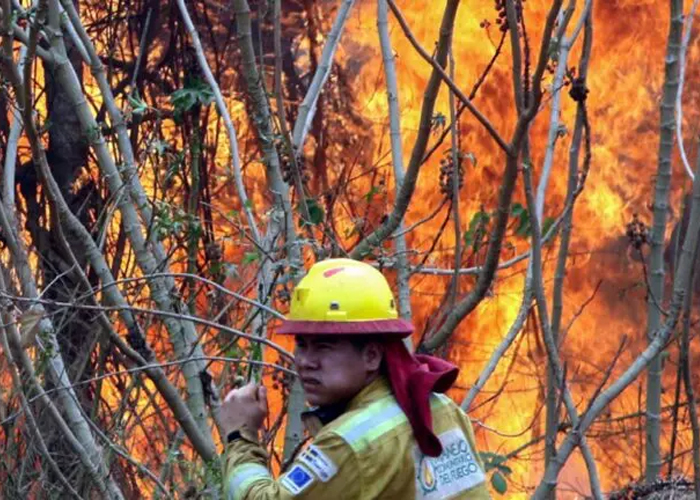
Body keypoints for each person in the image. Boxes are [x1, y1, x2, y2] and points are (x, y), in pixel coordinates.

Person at [221, 258, 491, 499]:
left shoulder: (347, 442)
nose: (305, 361)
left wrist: (239, 434)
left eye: (324, 346)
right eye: (302, 344)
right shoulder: (440, 406)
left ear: (372, 356)